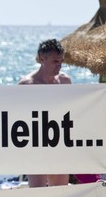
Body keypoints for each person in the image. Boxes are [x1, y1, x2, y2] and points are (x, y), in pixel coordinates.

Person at [19, 39, 71, 188]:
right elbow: (18, 119)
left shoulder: (65, 82)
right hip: (35, 145)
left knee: (60, 193)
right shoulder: (27, 85)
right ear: (42, 59)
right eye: (55, 61)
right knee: (38, 193)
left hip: (59, 142)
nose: (59, 66)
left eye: (61, 62)